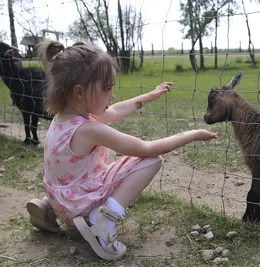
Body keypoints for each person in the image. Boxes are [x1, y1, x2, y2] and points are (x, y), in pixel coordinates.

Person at [26, 40, 219, 261]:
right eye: (107, 88)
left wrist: (150, 95)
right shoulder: (90, 129)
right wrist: (192, 134)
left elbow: (116, 110)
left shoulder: (63, 118)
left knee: (75, 172)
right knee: (151, 160)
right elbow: (146, 148)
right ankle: (103, 221)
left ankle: (47, 207)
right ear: (80, 93)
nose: (112, 96)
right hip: (78, 208)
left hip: (59, 197)